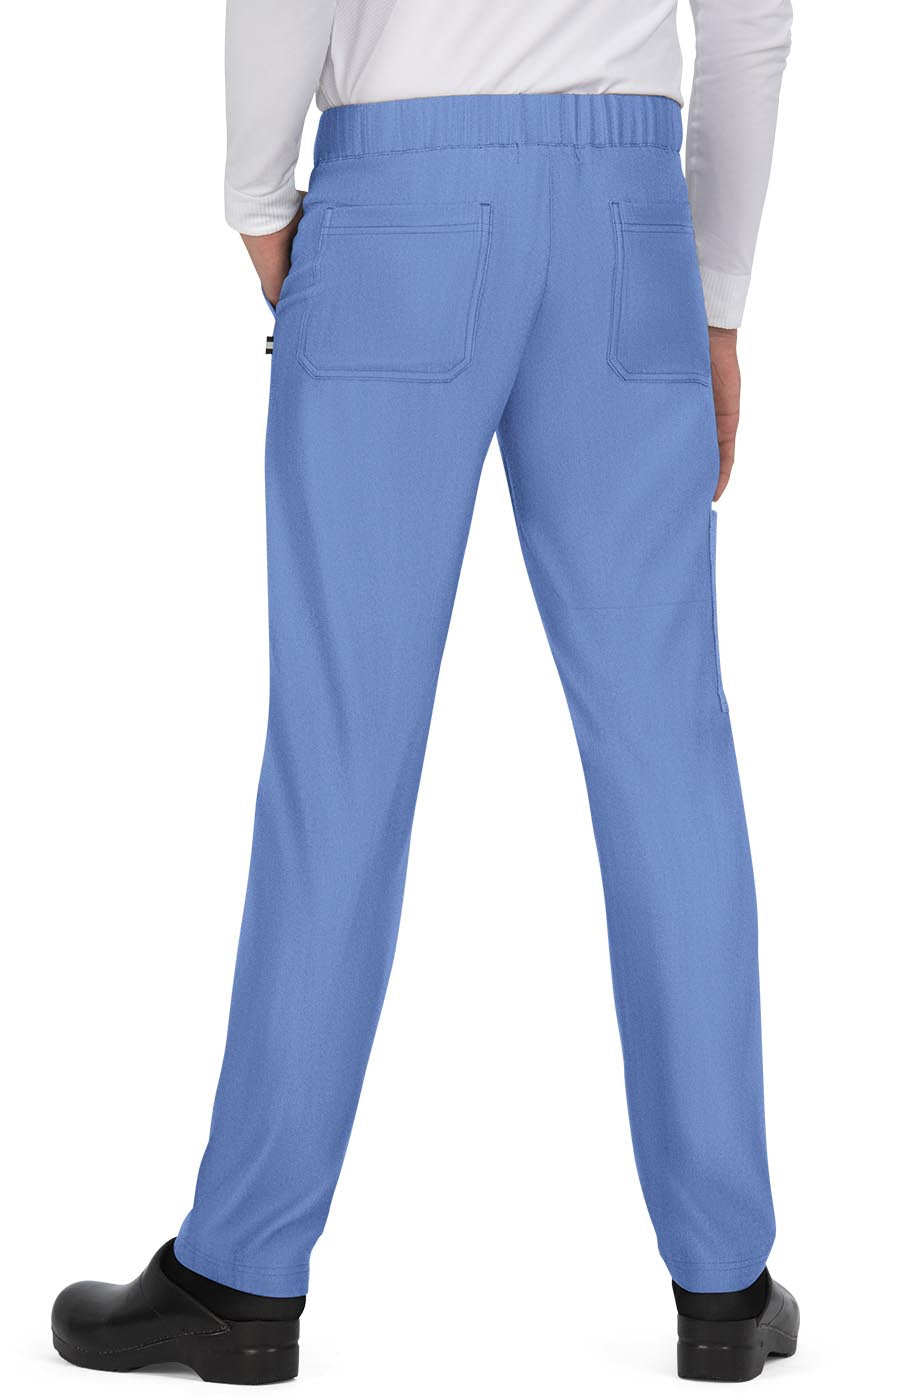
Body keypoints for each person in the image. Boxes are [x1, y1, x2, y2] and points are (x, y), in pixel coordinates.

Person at [51, 0, 799, 1386]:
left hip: (400, 200)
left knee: (341, 749)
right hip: (632, 216)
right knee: (669, 753)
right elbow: (751, 25)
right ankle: (724, 1279)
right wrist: (715, 289)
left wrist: (258, 200)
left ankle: (243, 1274)